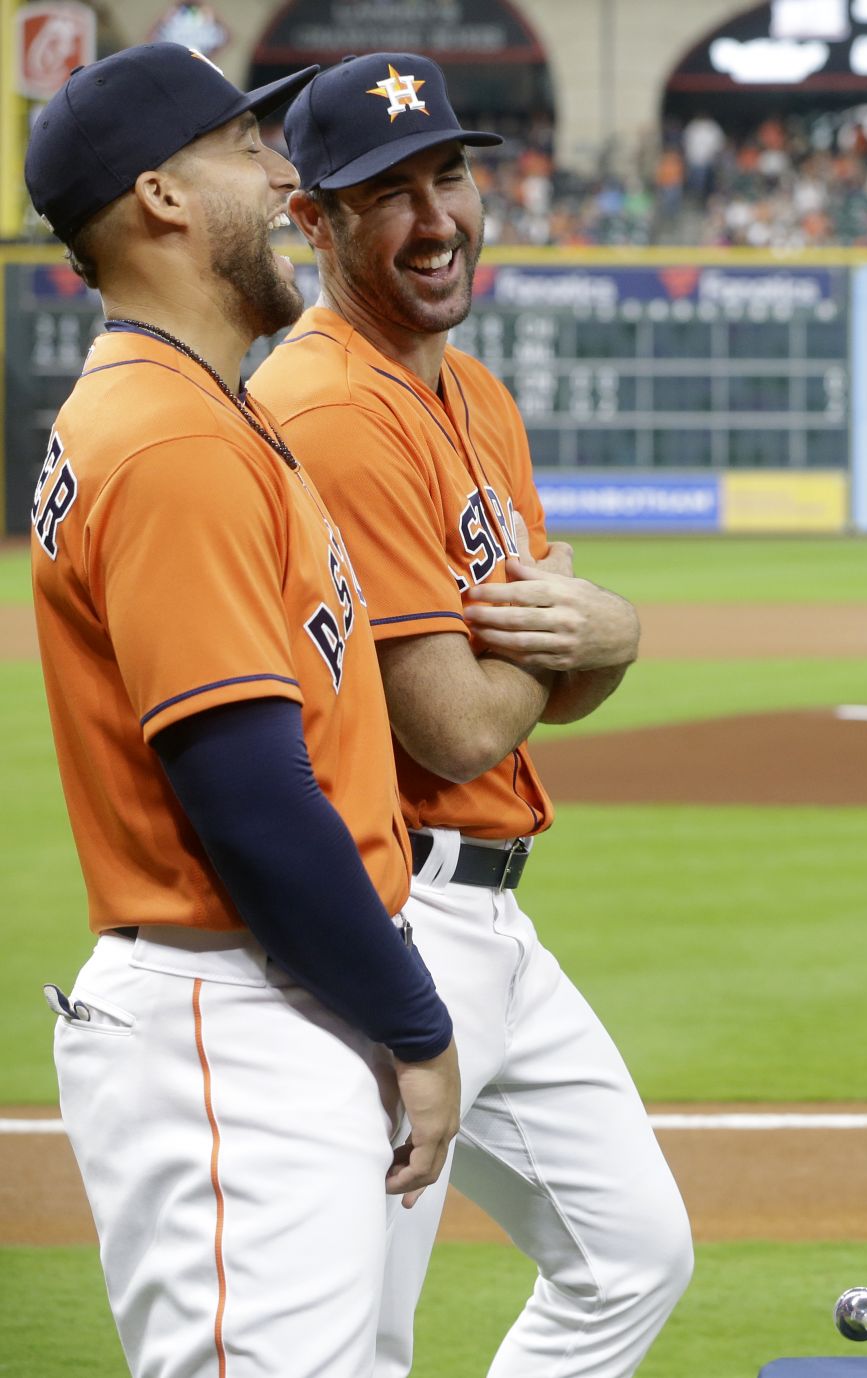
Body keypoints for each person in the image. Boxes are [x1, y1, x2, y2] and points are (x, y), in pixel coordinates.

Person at [247, 53, 691, 1376]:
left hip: (496, 913)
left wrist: (587, 638)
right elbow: (462, 720)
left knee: (632, 1253)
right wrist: (595, 629)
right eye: (389, 192)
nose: (436, 216)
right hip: (393, 908)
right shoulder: (327, 407)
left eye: (450, 173)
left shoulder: (473, 393)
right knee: (357, 1335)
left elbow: (558, 675)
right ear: (314, 222)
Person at [23, 44, 460, 1376]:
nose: (283, 178)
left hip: (262, 1003)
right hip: (227, 1014)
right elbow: (250, 796)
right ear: (161, 197)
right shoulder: (171, 440)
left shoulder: (190, 411)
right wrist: (420, 1028)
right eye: (245, 150)